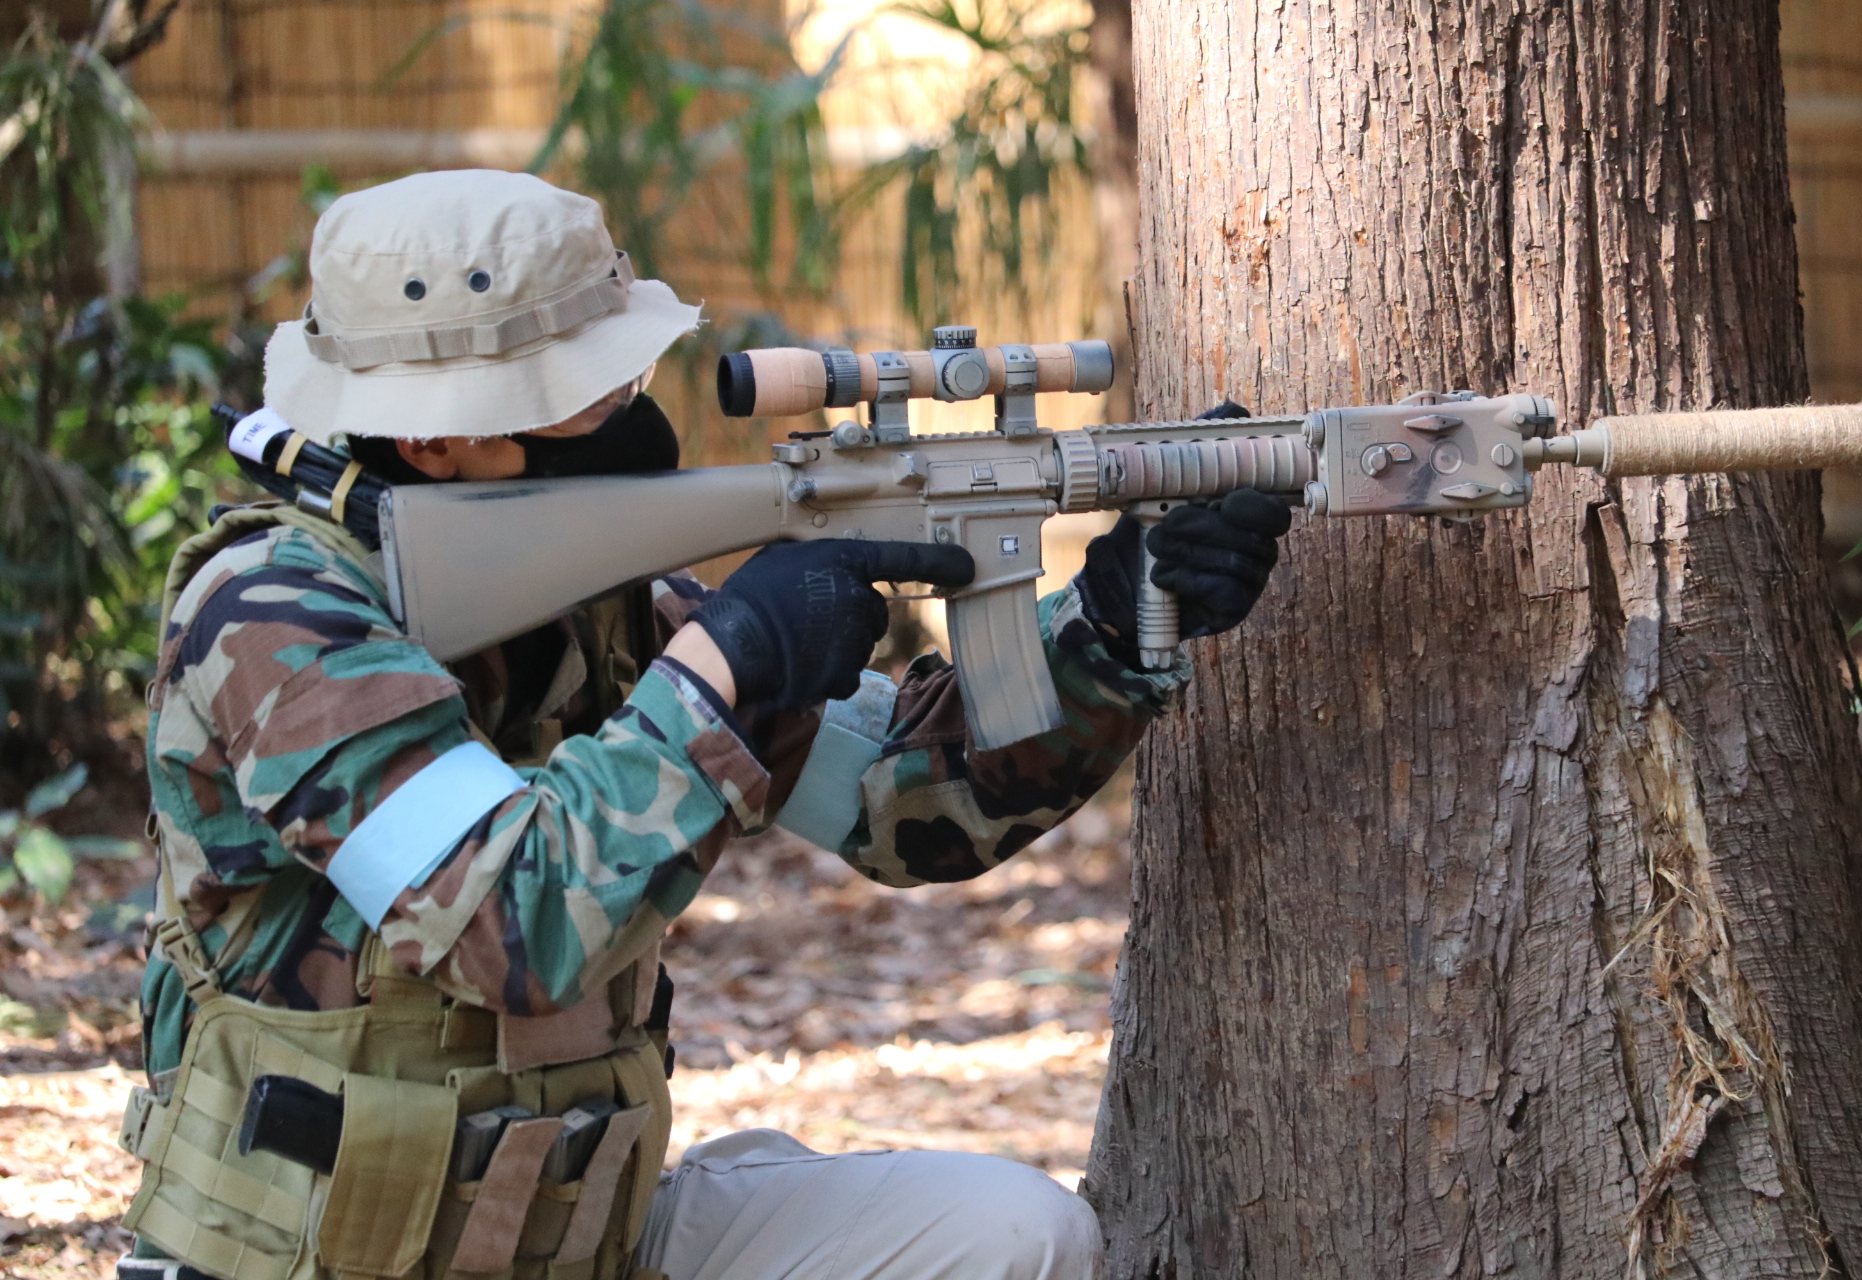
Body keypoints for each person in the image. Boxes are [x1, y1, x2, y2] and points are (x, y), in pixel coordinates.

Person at [117, 169, 1291, 1280]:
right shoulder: (271, 617)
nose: (632, 412)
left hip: (585, 1241)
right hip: (317, 1258)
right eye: (592, 391)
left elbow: (907, 806)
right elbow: (516, 920)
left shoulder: (598, 609)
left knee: (1010, 1236)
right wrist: (728, 659)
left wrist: (1114, 617)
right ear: (435, 441)